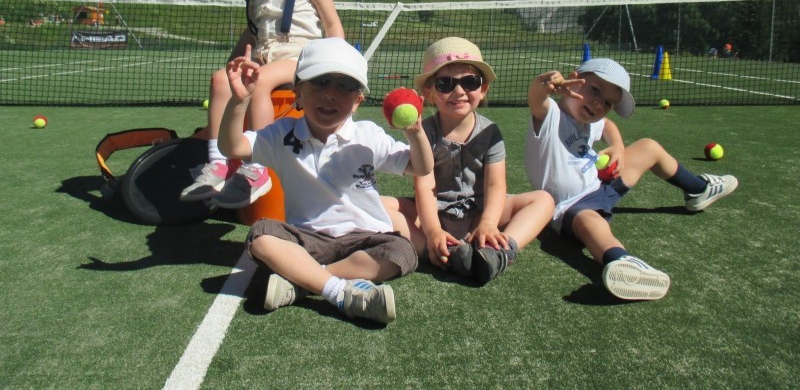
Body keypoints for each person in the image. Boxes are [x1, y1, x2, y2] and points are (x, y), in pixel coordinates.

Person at [218, 37, 434, 324]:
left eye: (345, 86)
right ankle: (339, 291)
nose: (330, 94)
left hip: (365, 238)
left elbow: (421, 167)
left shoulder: (368, 135)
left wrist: (415, 132)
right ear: (298, 93)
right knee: (261, 235)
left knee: (401, 250)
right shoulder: (281, 134)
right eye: (320, 82)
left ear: (357, 101)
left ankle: (304, 282)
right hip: (307, 239)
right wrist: (239, 101)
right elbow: (232, 148)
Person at [524, 57, 738, 301]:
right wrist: (548, 83)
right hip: (570, 207)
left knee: (649, 147)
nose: (598, 104)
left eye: (608, 102)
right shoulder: (550, 114)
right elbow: (537, 96)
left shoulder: (590, 120)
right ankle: (621, 261)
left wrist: (618, 147)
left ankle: (699, 189)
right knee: (592, 223)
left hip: (600, 185)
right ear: (574, 81)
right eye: (594, 89)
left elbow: (606, 125)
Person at [181, 0, 344, 209]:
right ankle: (219, 162)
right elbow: (252, 30)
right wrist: (231, 67)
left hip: (300, 52)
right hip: (263, 52)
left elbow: (332, 23)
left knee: (261, 82)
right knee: (219, 80)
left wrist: (333, 67)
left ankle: (258, 166)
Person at [382, 37, 555, 285]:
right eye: (445, 83)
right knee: (378, 204)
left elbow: (495, 185)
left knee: (544, 199)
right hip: (435, 213)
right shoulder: (425, 132)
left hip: (481, 210)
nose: (459, 91)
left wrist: (487, 223)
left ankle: (501, 252)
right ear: (429, 93)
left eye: (470, 82)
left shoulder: (490, 132)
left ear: (483, 89)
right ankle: (439, 253)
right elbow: (425, 186)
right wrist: (432, 231)